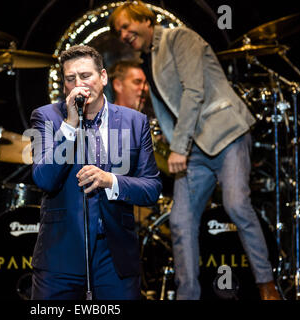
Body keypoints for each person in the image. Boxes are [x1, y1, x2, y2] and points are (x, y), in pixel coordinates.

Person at [109, 1, 281, 300]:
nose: (123, 34)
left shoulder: (179, 38)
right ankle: (188, 295)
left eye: (127, 26)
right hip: (195, 150)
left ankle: (267, 285)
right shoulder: (148, 58)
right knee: (180, 220)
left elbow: (194, 92)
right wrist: (167, 140)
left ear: (147, 21)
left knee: (237, 204)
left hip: (225, 135)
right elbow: (168, 107)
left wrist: (178, 146)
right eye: (118, 31)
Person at [29, 44, 162, 300]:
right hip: (61, 254)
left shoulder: (135, 122)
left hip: (114, 256)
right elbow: (45, 179)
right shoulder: (46, 117)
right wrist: (69, 125)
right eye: (71, 79)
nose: (79, 83)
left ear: (103, 77)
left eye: (85, 76)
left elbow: (151, 189)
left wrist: (110, 180)